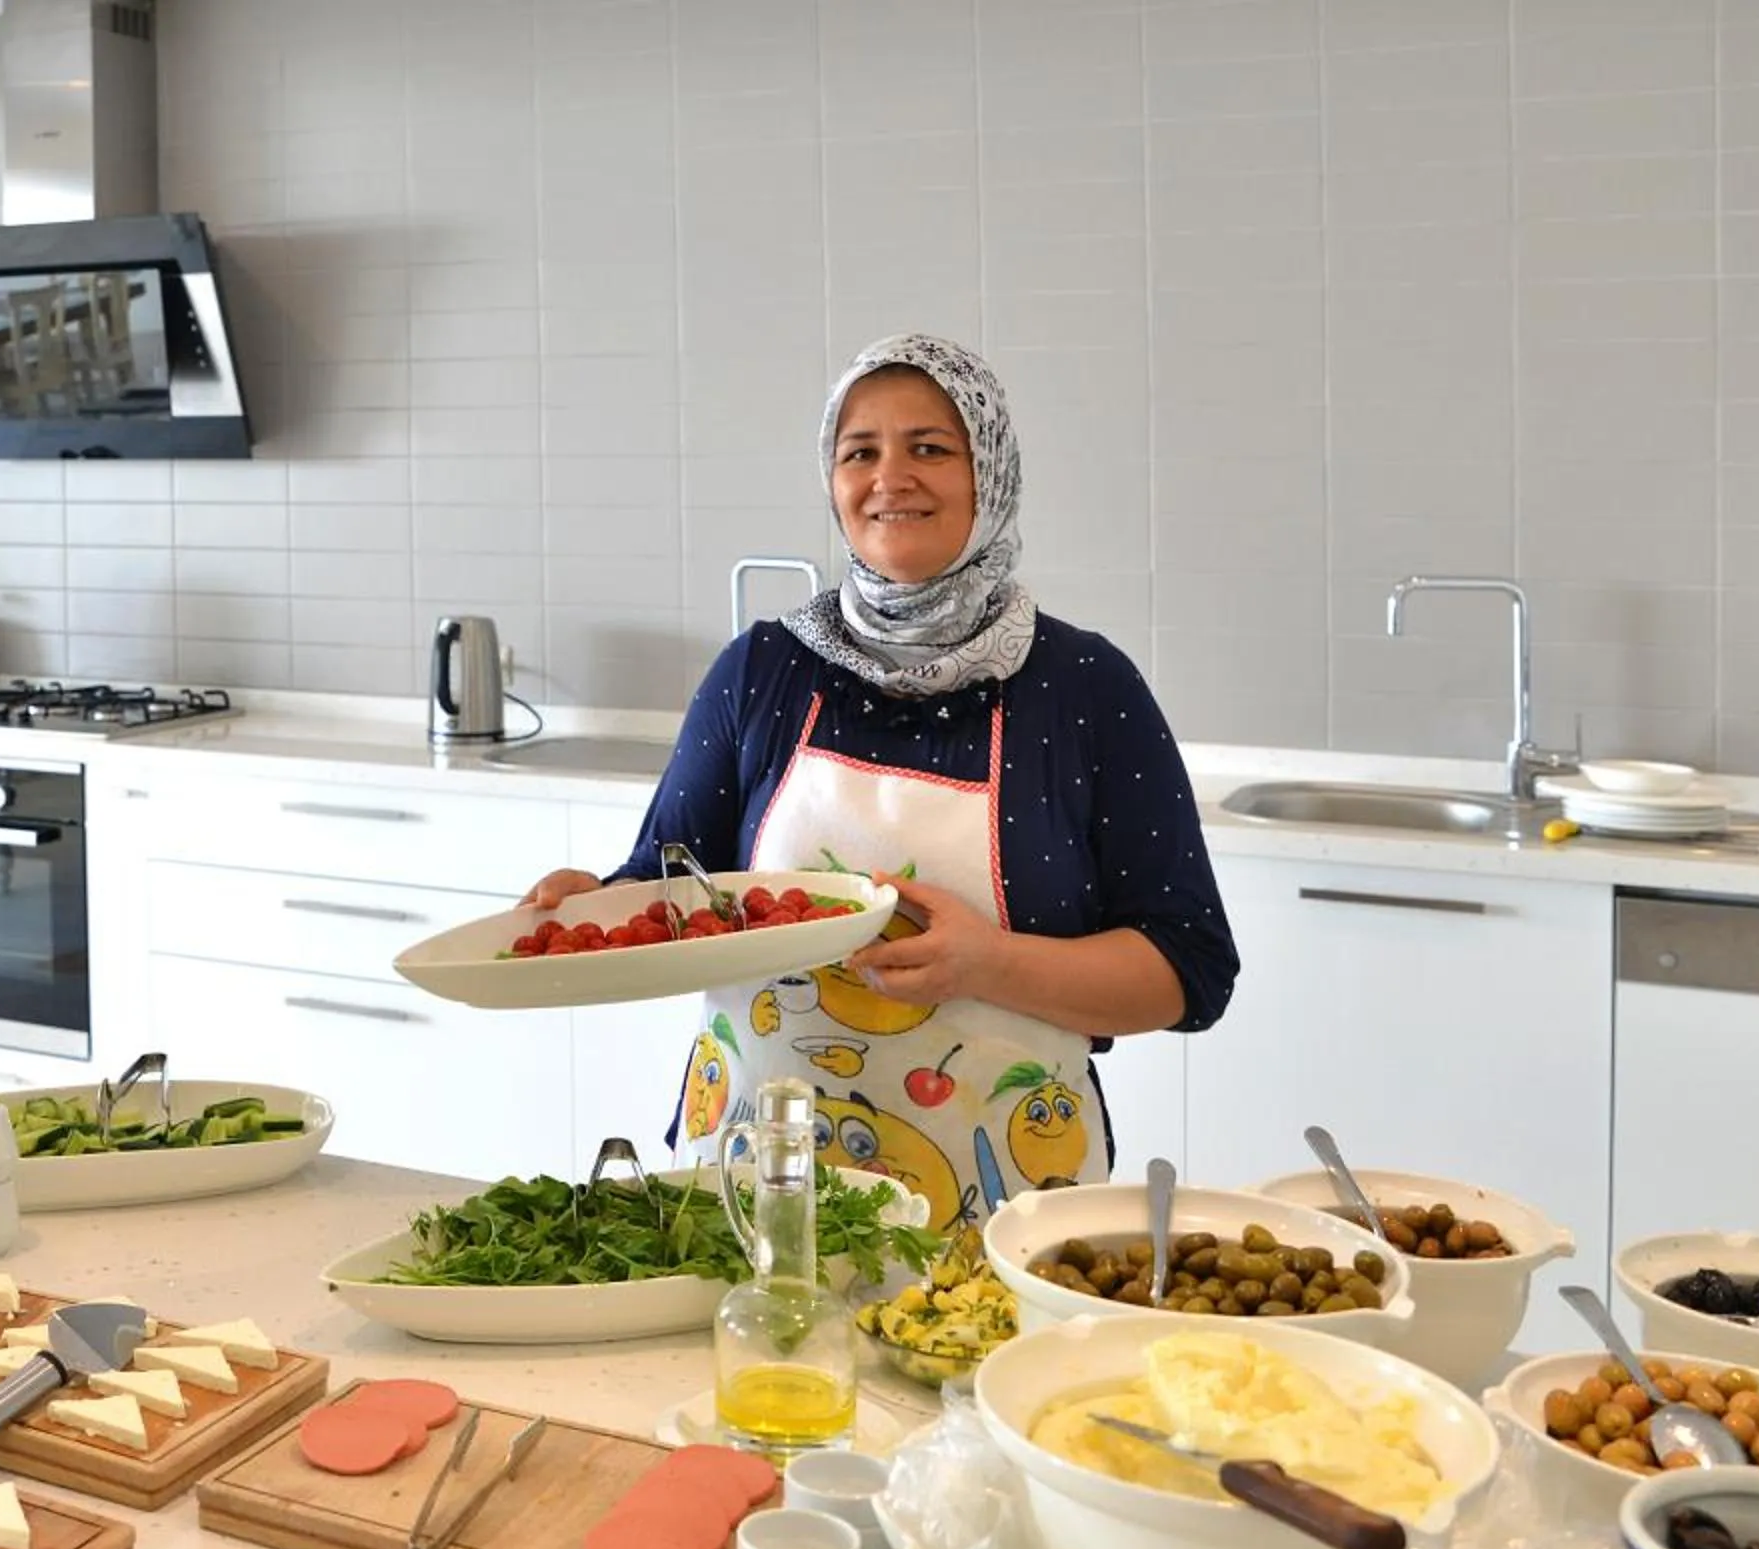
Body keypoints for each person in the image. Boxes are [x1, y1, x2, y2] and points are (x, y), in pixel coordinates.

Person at [522, 333, 1237, 1227]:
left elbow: (1189, 970)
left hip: (1005, 1204)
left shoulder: (1085, 687)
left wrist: (990, 964)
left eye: (930, 448)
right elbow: (674, 886)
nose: (889, 477)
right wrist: (595, 907)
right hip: (751, 1189)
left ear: (992, 475)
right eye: (860, 452)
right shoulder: (764, 668)